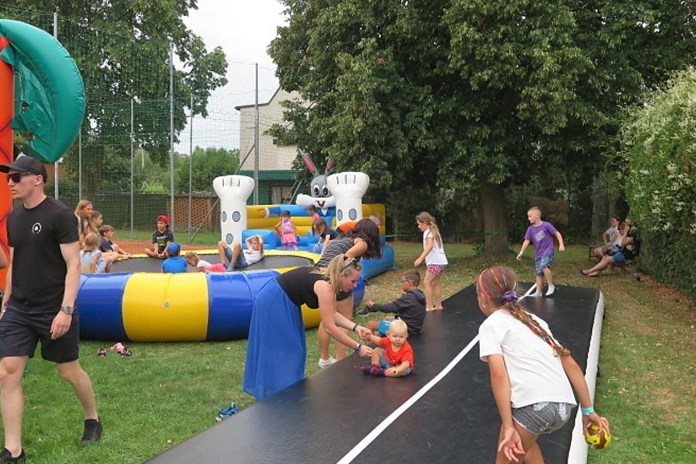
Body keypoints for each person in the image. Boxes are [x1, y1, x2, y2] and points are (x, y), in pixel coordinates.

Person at [0, 155, 102, 463]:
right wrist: (6, 303)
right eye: (8, 178)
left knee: (68, 371)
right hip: (19, 308)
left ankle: (92, 418)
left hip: (53, 308)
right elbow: (15, 262)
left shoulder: (59, 215)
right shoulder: (15, 218)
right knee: (7, 373)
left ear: (37, 179)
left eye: (16, 178)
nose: (10, 183)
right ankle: (13, 450)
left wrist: (66, 310)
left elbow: (74, 265)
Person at [476, 266, 610, 463]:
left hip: (534, 407)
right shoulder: (534, 321)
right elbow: (570, 364)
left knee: (507, 454)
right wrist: (588, 410)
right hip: (562, 406)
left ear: (484, 297)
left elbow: (499, 375)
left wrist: (509, 426)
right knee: (527, 445)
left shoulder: (491, 325)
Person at [244, 254, 374, 401]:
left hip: (285, 300)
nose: (355, 285)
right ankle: (278, 395)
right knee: (286, 349)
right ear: (341, 275)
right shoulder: (326, 287)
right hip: (275, 299)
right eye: (353, 281)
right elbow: (329, 327)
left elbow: (332, 314)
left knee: (295, 350)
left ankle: (283, 393)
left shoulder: (330, 283)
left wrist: (356, 327)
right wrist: (358, 347)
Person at [316, 218, 382, 368]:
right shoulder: (362, 243)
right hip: (334, 274)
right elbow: (348, 255)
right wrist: (345, 275)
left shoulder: (342, 238)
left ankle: (324, 358)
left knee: (327, 318)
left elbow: (326, 254)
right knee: (345, 317)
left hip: (320, 274)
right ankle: (340, 359)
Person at [360, 269, 426, 337]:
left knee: (371, 324)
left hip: (406, 330)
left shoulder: (409, 297)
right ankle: (383, 340)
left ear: (409, 283)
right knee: (387, 318)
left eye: (402, 282)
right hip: (414, 328)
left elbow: (389, 308)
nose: (401, 284)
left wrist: (374, 306)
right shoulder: (419, 294)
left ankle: (370, 347)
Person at [516, 206, 565, 297]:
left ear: (537, 215)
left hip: (548, 250)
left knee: (544, 265)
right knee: (538, 273)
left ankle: (551, 285)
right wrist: (521, 252)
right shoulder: (530, 229)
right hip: (538, 254)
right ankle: (538, 292)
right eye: (528, 216)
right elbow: (526, 241)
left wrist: (561, 244)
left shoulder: (546, 225)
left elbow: (557, 233)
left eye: (530, 216)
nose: (528, 218)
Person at [414, 211, 448, 311]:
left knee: (427, 283)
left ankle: (428, 306)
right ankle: (438, 305)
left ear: (424, 223)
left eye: (419, 224)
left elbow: (429, 246)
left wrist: (420, 258)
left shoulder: (428, 232)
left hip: (435, 262)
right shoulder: (433, 231)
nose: (418, 226)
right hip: (441, 262)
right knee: (434, 283)